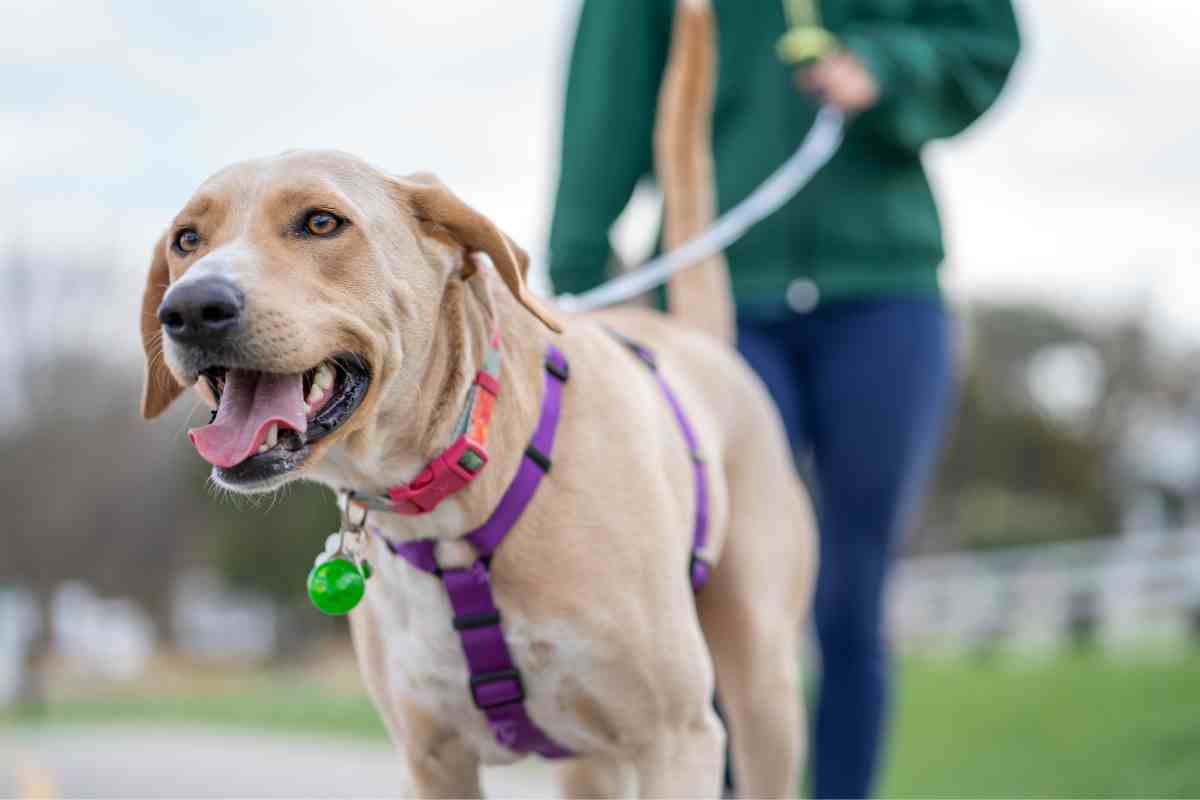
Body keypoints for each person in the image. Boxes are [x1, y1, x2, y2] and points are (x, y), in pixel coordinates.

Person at [547, 1, 1020, 796]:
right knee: (715, 589)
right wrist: (583, 280)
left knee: (852, 592)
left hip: (884, 295)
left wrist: (888, 64)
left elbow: (984, 40)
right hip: (711, 288)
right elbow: (606, 99)